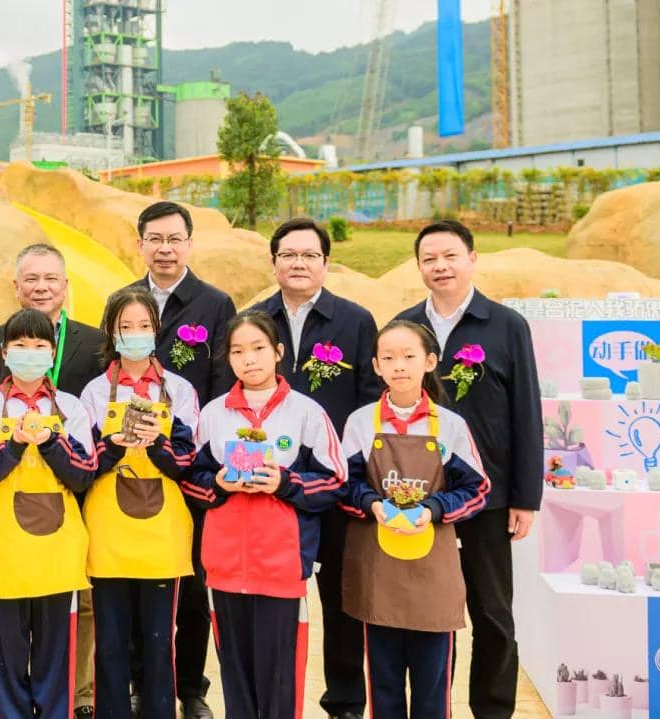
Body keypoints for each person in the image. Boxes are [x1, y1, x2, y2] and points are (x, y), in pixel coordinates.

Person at [395, 219, 543, 719]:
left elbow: (526, 413)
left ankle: (493, 710)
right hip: (419, 497)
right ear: (418, 267)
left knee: (492, 613)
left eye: (450, 256)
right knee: (428, 613)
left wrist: (525, 497)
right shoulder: (405, 327)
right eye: (429, 259)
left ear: (472, 259)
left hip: (489, 495)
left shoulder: (506, 325)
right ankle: (431, 708)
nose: (440, 266)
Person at [182, 311, 347, 719]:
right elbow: (190, 480)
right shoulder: (214, 414)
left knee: (279, 679)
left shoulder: (306, 413)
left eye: (258, 348)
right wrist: (220, 483)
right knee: (235, 674)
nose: (248, 359)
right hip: (224, 566)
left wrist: (285, 482)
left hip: (281, 565)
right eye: (237, 351)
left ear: (278, 352)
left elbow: (335, 480)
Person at [248, 217, 381, 719]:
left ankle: (344, 700)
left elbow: (369, 402)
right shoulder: (254, 320)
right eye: (288, 254)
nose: (298, 263)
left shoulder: (355, 321)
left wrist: (355, 474)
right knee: (275, 598)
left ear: (326, 262)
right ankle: (274, 699)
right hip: (271, 484)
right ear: (274, 262)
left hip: (335, 482)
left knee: (342, 596)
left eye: (309, 255)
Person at [0, 242, 106, 718]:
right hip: (4, 535)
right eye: (20, 347)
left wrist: (49, 441)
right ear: (4, 352)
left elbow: (84, 471)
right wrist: (11, 447)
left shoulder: (74, 399)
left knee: (60, 641)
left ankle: (67, 704)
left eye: (40, 347)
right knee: (7, 645)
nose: (31, 355)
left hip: (62, 535)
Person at [340, 320, 490, 719]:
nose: (399, 365)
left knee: (432, 684)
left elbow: (476, 489)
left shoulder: (450, 426)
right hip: (379, 569)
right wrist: (373, 504)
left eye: (409, 356)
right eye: (388, 357)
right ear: (376, 366)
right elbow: (345, 484)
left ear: (430, 362)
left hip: (432, 571)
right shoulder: (360, 423)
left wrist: (432, 509)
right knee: (383, 681)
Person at [124, 201, 236, 719]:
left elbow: (222, 386)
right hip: (130, 468)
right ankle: (139, 684)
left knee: (192, 586)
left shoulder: (215, 304)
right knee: (134, 580)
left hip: (189, 468)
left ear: (189, 243)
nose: (164, 249)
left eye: (174, 239)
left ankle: (191, 688)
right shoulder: (124, 300)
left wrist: (200, 459)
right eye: (155, 239)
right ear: (140, 244)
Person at [79, 288, 199, 719]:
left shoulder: (179, 389)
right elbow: (84, 462)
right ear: (111, 333)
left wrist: (158, 443)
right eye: (125, 326)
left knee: (158, 638)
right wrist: (113, 444)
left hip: (161, 531)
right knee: (110, 639)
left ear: (156, 330)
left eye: (143, 326)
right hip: (108, 529)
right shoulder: (95, 392)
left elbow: (187, 460)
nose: (135, 334)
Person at [0, 243, 106, 397]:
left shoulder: (96, 341)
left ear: (65, 285)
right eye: (31, 279)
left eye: (51, 278)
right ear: (16, 287)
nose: (41, 287)